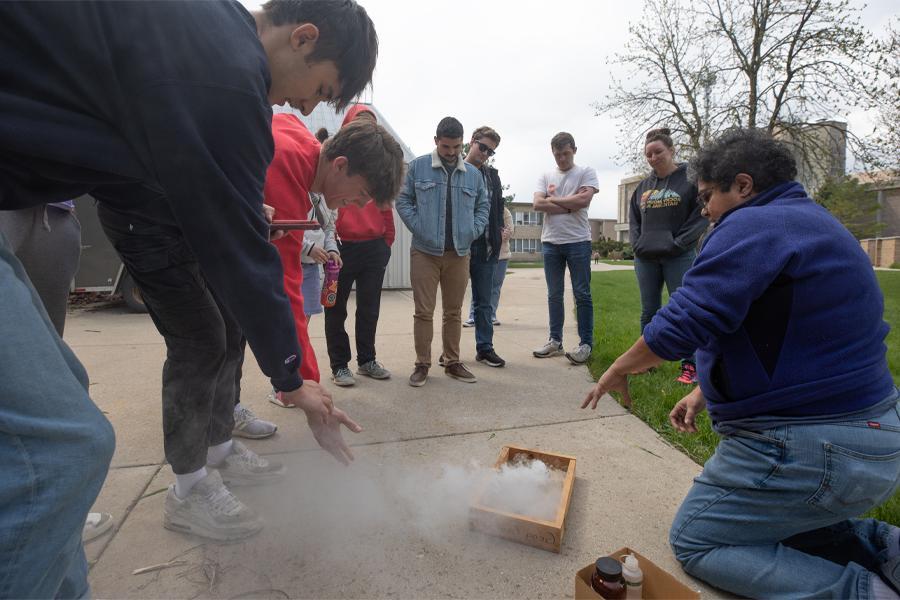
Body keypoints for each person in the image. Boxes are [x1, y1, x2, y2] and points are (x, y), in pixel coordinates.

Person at [0, 0, 378, 593]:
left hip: (129, 205)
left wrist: (226, 211)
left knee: (209, 336)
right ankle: (188, 486)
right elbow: (247, 255)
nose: (304, 107)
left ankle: (214, 450)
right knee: (66, 446)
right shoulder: (228, 74)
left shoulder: (207, 34)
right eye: (319, 89)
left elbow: (205, 206)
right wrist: (290, 378)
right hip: (140, 222)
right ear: (302, 38)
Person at [582, 128, 900, 600]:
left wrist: (618, 369)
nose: (705, 209)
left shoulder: (753, 225)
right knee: (756, 524)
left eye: (709, 196)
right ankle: (884, 548)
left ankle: (861, 593)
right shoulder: (813, 222)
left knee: (699, 538)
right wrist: (707, 388)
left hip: (818, 448)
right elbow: (791, 336)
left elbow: (682, 322)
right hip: (872, 440)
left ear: (744, 187)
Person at [0, 202, 116, 543]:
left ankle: (51, 518)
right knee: (73, 428)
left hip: (54, 210)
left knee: (48, 363)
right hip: (8, 199)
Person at [396, 117, 489, 387]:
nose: (451, 152)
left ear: (463, 144)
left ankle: (452, 362)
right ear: (436, 141)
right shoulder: (417, 167)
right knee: (423, 311)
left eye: (456, 147)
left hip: (459, 253)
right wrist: (418, 226)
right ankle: (422, 364)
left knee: (454, 311)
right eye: (446, 146)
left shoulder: (473, 174)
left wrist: (473, 230)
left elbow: (483, 206)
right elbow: (402, 200)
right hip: (425, 252)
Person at [629, 128, 707, 385]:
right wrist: (637, 245)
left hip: (679, 257)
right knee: (648, 311)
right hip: (647, 258)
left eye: (658, 152)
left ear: (672, 150)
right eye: (648, 154)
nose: (653, 158)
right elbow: (634, 221)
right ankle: (645, 360)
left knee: (684, 310)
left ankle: (690, 365)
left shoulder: (689, 180)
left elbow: (699, 217)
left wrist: (677, 244)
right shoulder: (643, 187)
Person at [325, 104, 396, 387]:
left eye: (370, 123)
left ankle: (367, 360)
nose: (366, 127)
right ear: (347, 125)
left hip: (372, 248)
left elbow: (386, 208)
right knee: (335, 308)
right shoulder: (334, 159)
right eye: (360, 121)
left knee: (369, 308)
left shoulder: (378, 165)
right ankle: (339, 365)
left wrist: (386, 244)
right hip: (339, 250)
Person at [532, 132, 599, 365]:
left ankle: (585, 344)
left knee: (582, 293)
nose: (561, 159)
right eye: (557, 154)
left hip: (578, 241)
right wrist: (569, 204)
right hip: (551, 242)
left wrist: (553, 201)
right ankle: (555, 341)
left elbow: (584, 202)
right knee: (554, 294)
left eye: (566, 153)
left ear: (574, 150)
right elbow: (537, 204)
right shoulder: (545, 175)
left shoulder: (585, 172)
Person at [462, 126, 507, 368]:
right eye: (483, 147)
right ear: (472, 142)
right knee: (453, 301)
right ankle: (450, 351)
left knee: (484, 301)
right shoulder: (456, 170)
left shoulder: (492, 176)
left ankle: (485, 348)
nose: (485, 154)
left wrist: (499, 232)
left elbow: (497, 208)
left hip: (488, 248)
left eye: (490, 152)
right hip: (461, 247)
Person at [465, 206, 513, 327]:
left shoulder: (504, 211)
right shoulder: (479, 208)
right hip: (482, 254)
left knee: (495, 286)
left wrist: (505, 234)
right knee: (478, 286)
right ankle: (473, 316)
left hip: (501, 255)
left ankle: (491, 316)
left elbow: (509, 231)